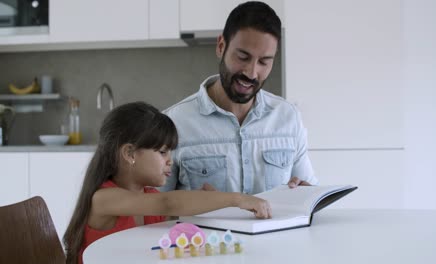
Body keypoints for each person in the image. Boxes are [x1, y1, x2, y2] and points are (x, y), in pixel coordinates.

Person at [63, 102, 271, 264]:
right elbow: (169, 203)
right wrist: (236, 199)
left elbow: (179, 213)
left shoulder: (149, 197)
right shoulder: (104, 199)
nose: (170, 160)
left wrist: (205, 200)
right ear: (129, 153)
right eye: (163, 152)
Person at [161, 1, 318, 195]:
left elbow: (309, 195)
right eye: (243, 57)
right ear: (221, 46)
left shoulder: (288, 117)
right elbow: (154, 212)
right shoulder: (173, 123)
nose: (252, 73)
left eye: (264, 62)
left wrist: (304, 195)